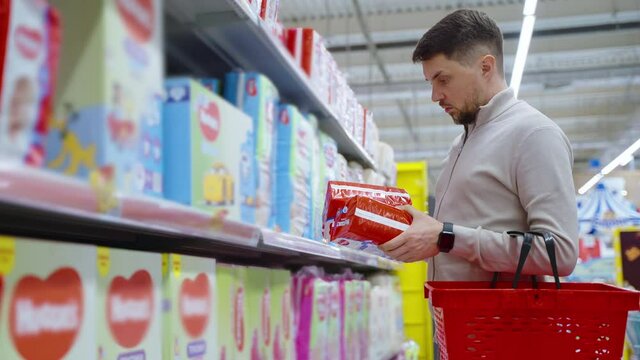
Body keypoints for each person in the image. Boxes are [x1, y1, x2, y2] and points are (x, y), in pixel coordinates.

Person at [379, 9, 579, 282]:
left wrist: (446, 236)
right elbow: (462, 245)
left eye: (443, 79)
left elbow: (560, 254)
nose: (435, 96)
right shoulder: (461, 144)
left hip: (502, 324)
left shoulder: (534, 134)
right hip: (457, 322)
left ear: (485, 67)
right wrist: (419, 238)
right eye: (430, 83)